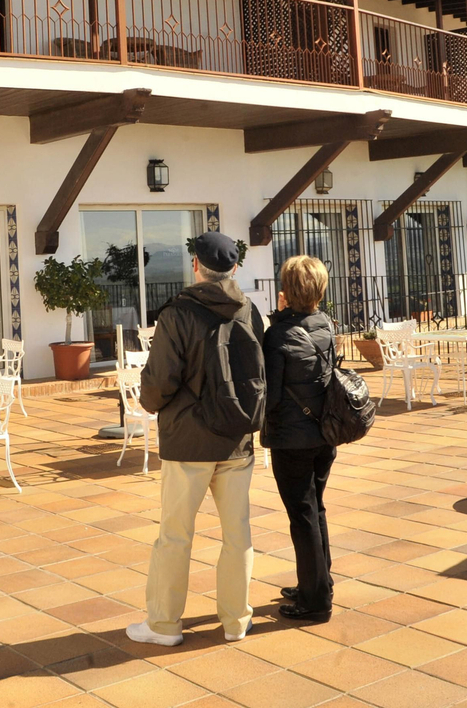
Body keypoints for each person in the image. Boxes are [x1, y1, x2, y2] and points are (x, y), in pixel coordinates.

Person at [127, 231, 267, 647]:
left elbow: (159, 381)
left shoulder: (178, 313)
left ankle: (165, 626)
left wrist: (148, 403)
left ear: (196, 266)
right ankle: (236, 621)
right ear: (235, 268)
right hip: (235, 439)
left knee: (174, 535)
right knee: (237, 534)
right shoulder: (249, 310)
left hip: (188, 442)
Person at [261, 255, 338, 622]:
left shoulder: (277, 334)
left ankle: (315, 599)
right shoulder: (325, 324)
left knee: (302, 514)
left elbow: (271, 395)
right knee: (315, 507)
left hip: (292, 438)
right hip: (324, 433)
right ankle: (320, 581)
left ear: (287, 290)